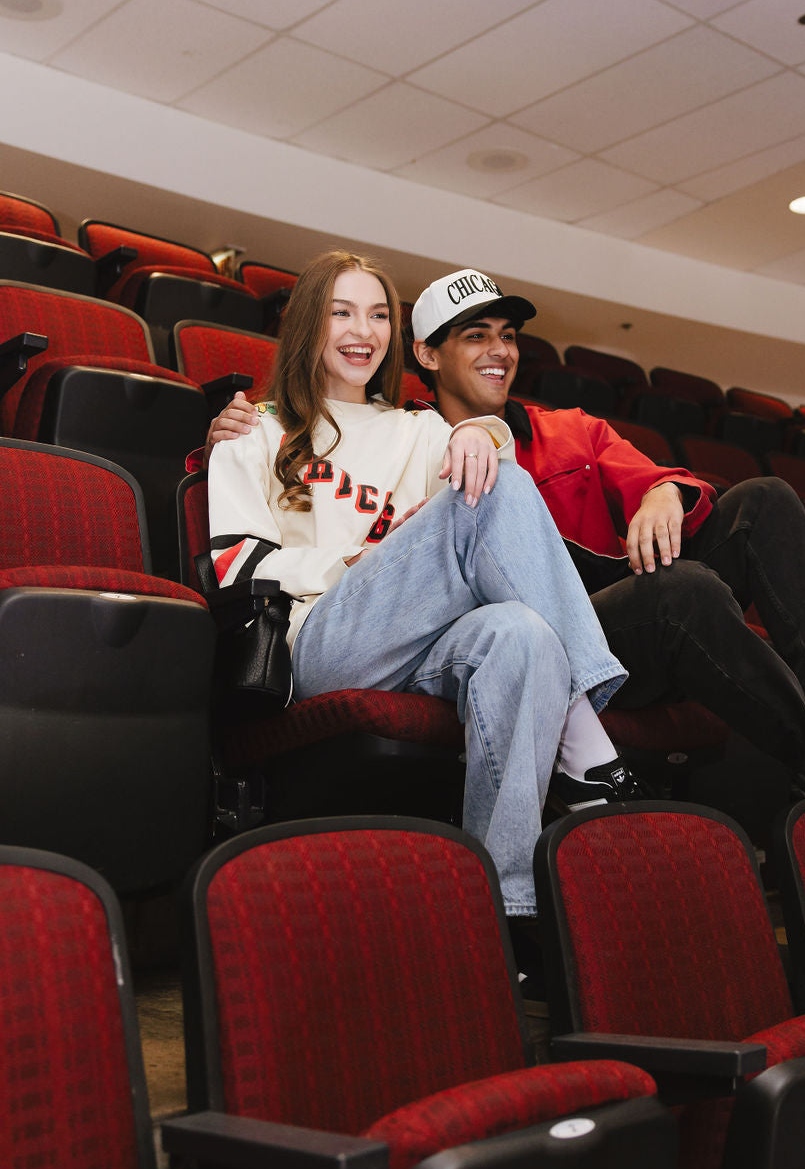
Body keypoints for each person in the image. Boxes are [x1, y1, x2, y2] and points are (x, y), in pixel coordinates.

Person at [207, 267, 805, 804]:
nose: (499, 350)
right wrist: (224, 433)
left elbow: (667, 485)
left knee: (767, 499)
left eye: (507, 335)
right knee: (687, 590)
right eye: (474, 336)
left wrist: (662, 493)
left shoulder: (571, 428)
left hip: (625, 609)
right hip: (587, 624)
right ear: (426, 355)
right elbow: (307, 462)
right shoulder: (411, 436)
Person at [206, 250, 647, 922]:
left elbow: (499, 500)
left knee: (520, 634)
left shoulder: (417, 429)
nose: (364, 330)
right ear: (308, 326)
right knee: (494, 496)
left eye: (380, 314)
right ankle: (585, 734)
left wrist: (477, 430)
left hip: (422, 648)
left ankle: (506, 908)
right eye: (343, 312)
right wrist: (348, 564)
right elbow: (234, 562)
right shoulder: (255, 427)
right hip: (321, 640)